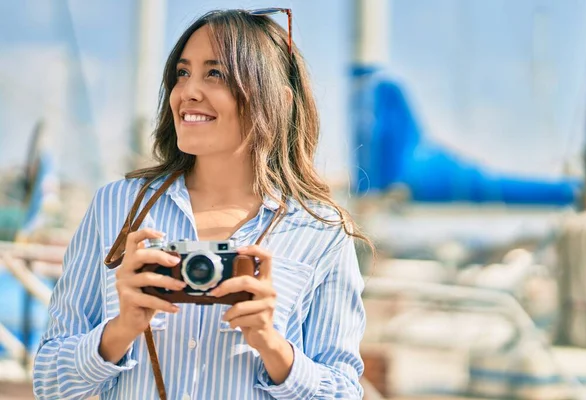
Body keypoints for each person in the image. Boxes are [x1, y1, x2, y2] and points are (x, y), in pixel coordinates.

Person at [33, 8, 370, 400]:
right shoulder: (117, 206)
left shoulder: (322, 232)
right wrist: (121, 329)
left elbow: (344, 392)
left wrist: (271, 344)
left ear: (276, 99)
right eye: (182, 72)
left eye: (216, 73)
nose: (188, 91)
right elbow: (49, 384)